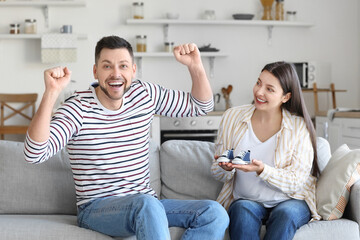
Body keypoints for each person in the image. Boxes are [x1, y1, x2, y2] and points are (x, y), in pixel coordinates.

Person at [24, 35, 229, 240]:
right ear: (95, 71)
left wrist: (195, 66)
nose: (116, 74)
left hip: (147, 205)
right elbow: (34, 153)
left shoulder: (144, 94)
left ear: (133, 70)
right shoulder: (77, 108)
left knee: (215, 213)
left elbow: (202, 106)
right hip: (96, 209)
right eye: (107, 66)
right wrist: (50, 93)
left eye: (123, 66)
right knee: (145, 204)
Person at [211, 61, 321, 240]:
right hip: (247, 200)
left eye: (270, 89)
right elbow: (216, 171)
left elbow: (297, 181)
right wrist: (225, 169)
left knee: (286, 215)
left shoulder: (298, 127)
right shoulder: (232, 117)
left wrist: (263, 170)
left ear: (285, 97)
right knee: (241, 210)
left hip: (290, 200)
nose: (259, 92)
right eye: (258, 83)